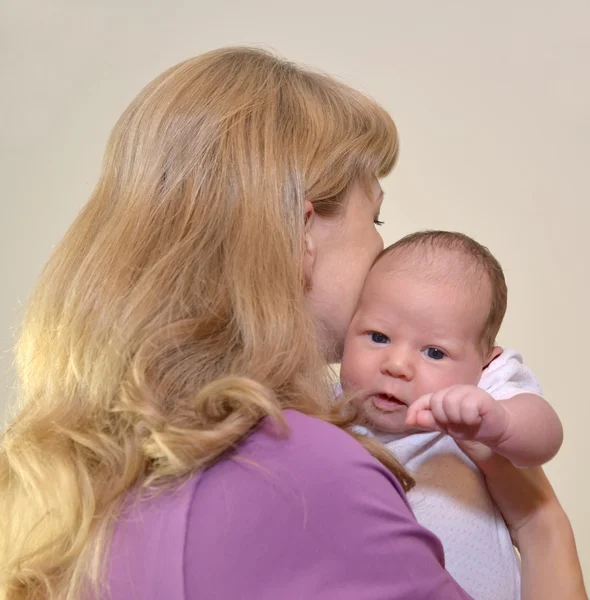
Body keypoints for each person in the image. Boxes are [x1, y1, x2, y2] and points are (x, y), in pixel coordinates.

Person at [0, 47, 585, 600]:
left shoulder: (84, 478)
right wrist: (541, 522)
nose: (383, 245)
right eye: (376, 215)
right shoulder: (305, 471)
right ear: (304, 235)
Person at [340, 230, 564, 600]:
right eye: (378, 337)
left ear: (486, 362)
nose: (396, 365)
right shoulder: (328, 413)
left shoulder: (479, 403)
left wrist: (501, 423)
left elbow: (545, 437)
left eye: (434, 353)